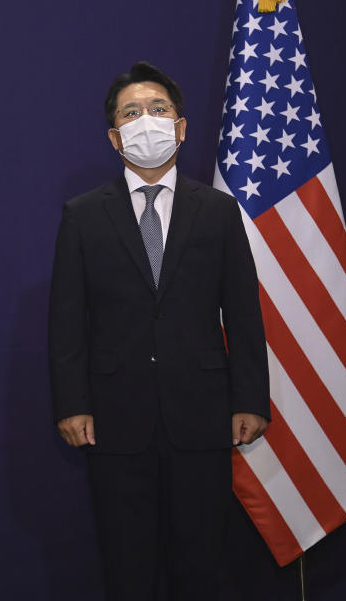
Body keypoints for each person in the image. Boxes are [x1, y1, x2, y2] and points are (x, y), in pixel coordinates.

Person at [48, 62, 270, 600]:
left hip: (202, 416)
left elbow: (242, 312)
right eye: (132, 112)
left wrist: (251, 399)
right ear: (114, 135)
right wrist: (71, 403)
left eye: (159, 109)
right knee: (128, 567)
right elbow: (65, 320)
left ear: (181, 126)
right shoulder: (83, 215)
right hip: (115, 419)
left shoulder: (218, 211)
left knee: (200, 565)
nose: (146, 120)